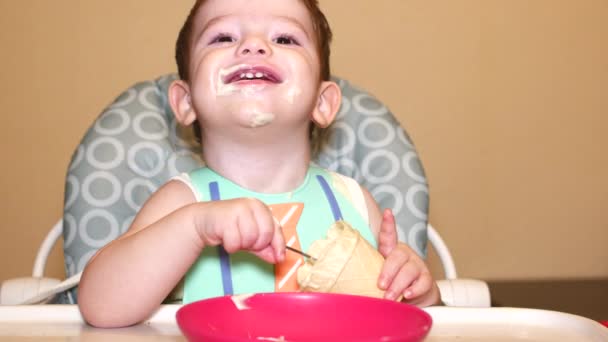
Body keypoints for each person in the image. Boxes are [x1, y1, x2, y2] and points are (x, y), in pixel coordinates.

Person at [78, 0, 440, 328]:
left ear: (323, 102)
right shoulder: (184, 203)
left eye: (285, 38)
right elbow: (100, 308)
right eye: (222, 37)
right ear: (185, 102)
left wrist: (419, 296)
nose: (253, 44)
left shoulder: (355, 201)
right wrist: (193, 228)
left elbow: (403, 318)